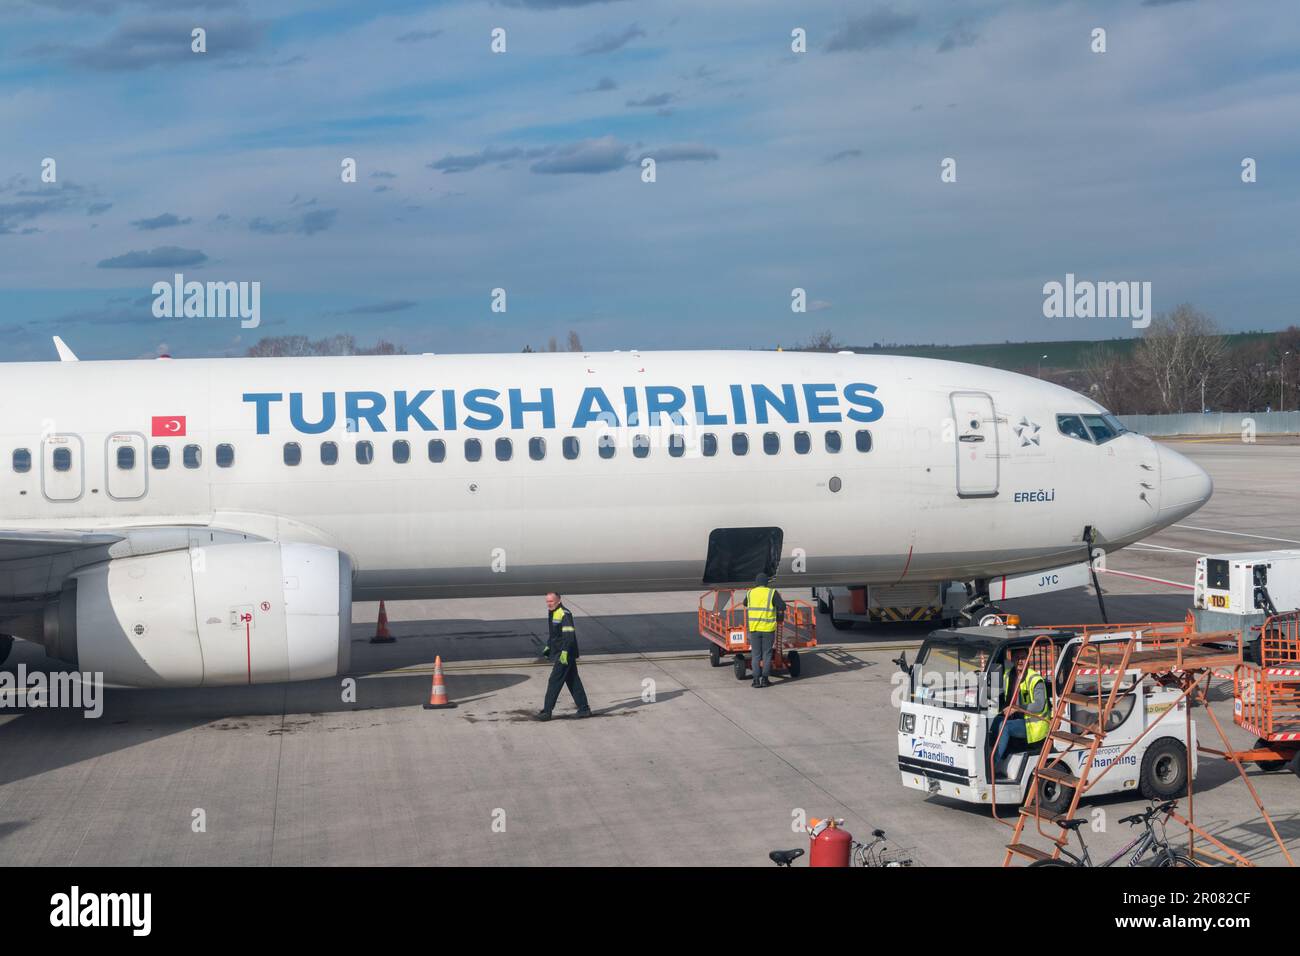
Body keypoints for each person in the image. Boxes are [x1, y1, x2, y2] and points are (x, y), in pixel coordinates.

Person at [989, 647, 1051, 772]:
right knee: (993, 721)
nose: (1020, 661)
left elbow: (1039, 705)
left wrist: (1017, 708)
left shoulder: (1035, 679)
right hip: (1018, 720)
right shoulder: (1008, 675)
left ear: (1029, 659)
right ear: (1012, 659)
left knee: (1004, 726)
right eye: (1017, 658)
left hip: (1034, 724)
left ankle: (992, 766)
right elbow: (1000, 695)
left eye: (1023, 658)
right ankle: (988, 755)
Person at [537, 592, 591, 721]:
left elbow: (569, 636)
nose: (549, 604)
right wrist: (548, 646)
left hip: (564, 654)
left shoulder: (564, 614)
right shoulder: (553, 612)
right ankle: (584, 709)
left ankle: (547, 711)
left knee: (554, 681)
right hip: (560, 652)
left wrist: (565, 652)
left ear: (559, 600)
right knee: (573, 681)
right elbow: (554, 634)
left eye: (551, 601)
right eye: (547, 601)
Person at [743, 573, 786, 688]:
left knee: (756, 655)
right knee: (767, 654)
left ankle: (756, 680)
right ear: (766, 582)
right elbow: (782, 606)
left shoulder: (750, 593)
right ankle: (765, 680)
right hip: (768, 629)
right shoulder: (772, 593)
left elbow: (744, 603)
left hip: (754, 628)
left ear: (756, 582)